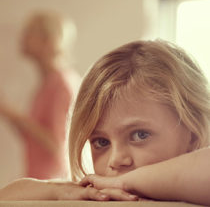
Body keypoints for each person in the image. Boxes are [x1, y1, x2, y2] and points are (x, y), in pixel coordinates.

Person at [0, 39, 210, 205]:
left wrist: (123, 181)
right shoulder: (102, 195)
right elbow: (8, 195)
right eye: (101, 142)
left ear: (193, 135)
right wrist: (60, 191)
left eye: (140, 135)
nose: (116, 160)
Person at [0, 11, 79, 179]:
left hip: (52, 184)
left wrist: (15, 116)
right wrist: (8, 114)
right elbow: (34, 137)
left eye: (30, 32)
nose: (22, 38)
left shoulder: (62, 84)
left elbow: (58, 145)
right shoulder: (47, 83)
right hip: (40, 179)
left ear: (48, 41)